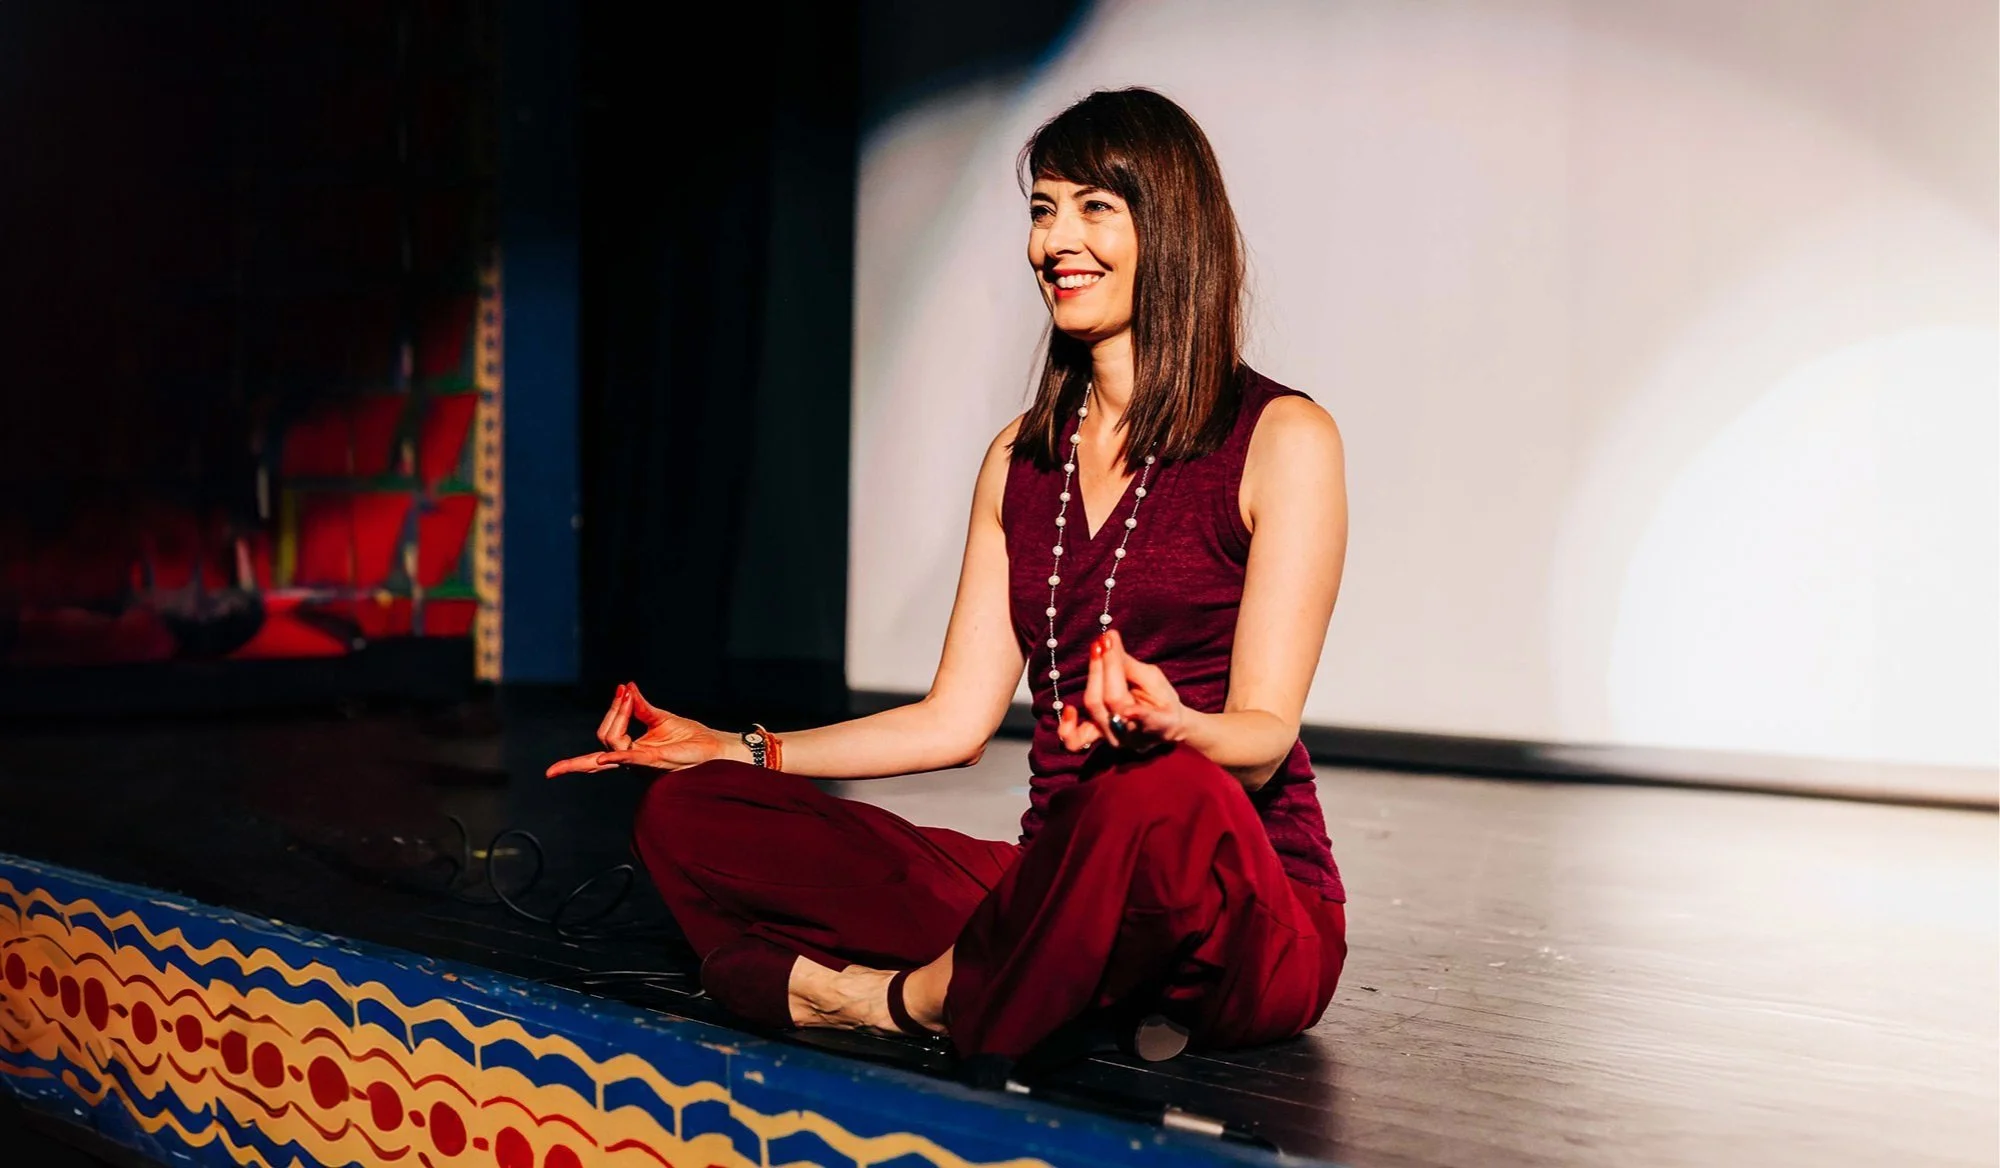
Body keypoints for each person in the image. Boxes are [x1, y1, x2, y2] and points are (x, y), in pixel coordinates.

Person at [548, 88, 1349, 1070]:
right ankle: (1051, 980)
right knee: (690, 811)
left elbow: (1261, 744)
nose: (1055, 239)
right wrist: (741, 749)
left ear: (1172, 226)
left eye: (1094, 207)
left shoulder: (1282, 438)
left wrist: (1176, 725)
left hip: (1242, 916)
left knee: (1157, 794)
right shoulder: (1020, 460)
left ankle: (911, 1001)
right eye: (1043, 209)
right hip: (1050, 888)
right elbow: (953, 721)